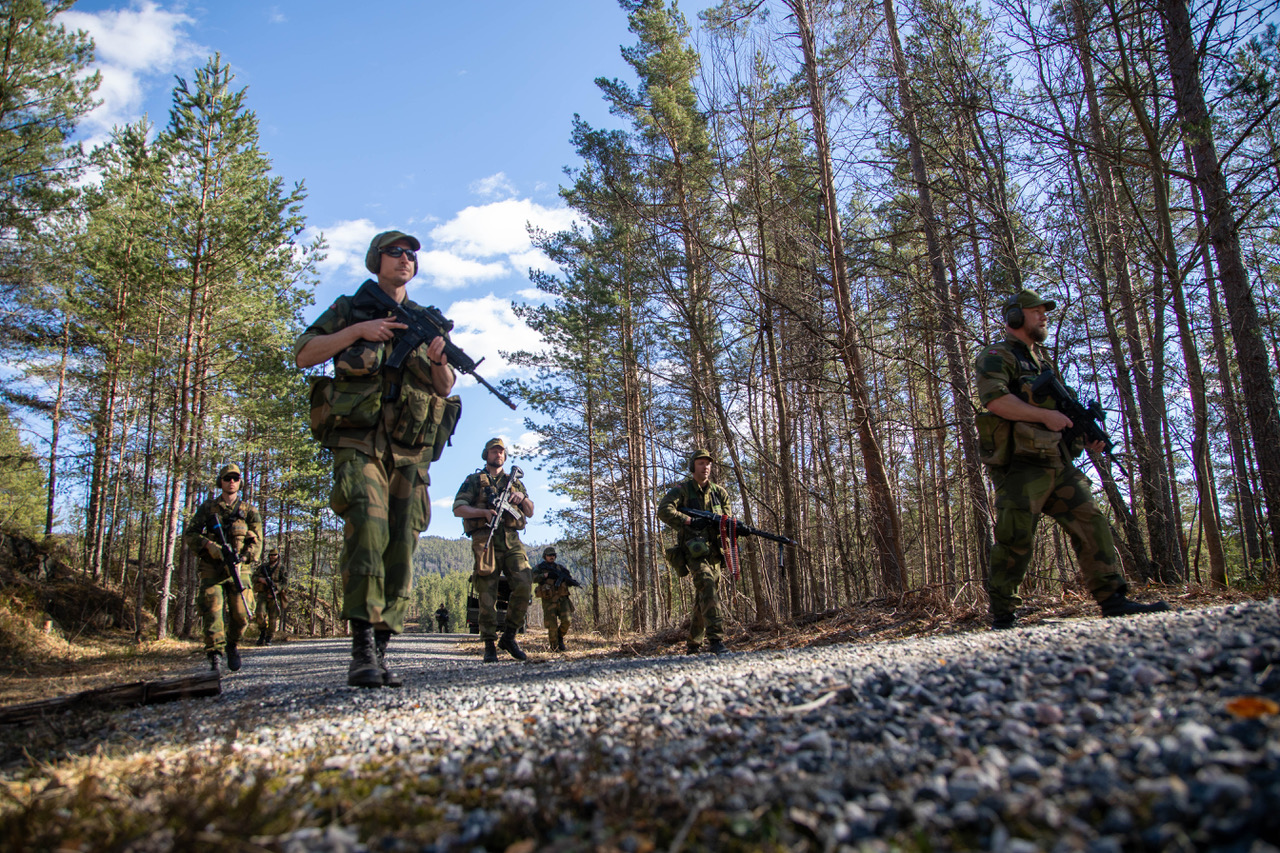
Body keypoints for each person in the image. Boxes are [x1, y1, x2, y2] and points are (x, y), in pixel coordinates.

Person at [294, 230, 458, 688]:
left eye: (411, 255)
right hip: (360, 441)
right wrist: (357, 332)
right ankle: (361, 647)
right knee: (368, 530)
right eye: (396, 252)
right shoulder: (351, 307)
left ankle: (383, 649)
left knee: (402, 544)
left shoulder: (426, 320)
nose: (405, 259)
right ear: (376, 259)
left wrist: (440, 358)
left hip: (408, 450)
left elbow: (443, 387)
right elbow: (304, 353)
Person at [974, 289, 1171, 629]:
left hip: (1057, 462)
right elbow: (995, 401)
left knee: (1091, 521)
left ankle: (1112, 599)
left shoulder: (1043, 363)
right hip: (1021, 465)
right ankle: (1003, 614)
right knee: (1015, 536)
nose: (1043, 317)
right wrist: (1042, 416)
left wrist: (1084, 438)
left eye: (1044, 312)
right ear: (1016, 317)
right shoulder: (997, 354)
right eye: (1036, 312)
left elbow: (1061, 415)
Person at [453, 437, 534, 662]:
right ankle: (489, 643)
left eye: (501, 452)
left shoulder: (513, 481)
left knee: (525, 584)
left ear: (505, 456)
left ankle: (509, 636)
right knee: (486, 594)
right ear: (486, 454)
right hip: (485, 539)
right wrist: (484, 513)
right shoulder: (473, 480)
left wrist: (522, 497)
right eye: (493, 451)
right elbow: (458, 509)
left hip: (511, 540)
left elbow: (530, 511)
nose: (498, 454)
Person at [183, 463, 261, 673]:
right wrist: (210, 546)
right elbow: (190, 534)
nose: (231, 482)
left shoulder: (250, 511)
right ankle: (215, 654)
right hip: (212, 567)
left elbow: (257, 541)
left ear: (240, 482)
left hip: (239, 568)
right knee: (212, 610)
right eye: (227, 478)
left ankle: (232, 644)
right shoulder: (208, 508)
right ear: (221, 482)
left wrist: (244, 557)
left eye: (235, 478)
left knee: (242, 614)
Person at [658, 449, 732, 655]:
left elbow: (727, 520)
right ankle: (716, 640)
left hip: (715, 553)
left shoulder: (720, 493)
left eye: (708, 463)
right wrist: (689, 520)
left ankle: (693, 643)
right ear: (693, 467)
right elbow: (663, 510)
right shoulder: (681, 490)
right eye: (701, 463)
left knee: (705, 596)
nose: (705, 467)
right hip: (693, 550)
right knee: (707, 584)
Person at [533, 546, 578, 652]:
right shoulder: (539, 567)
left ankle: (560, 637)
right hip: (549, 600)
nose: (551, 557)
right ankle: (555, 647)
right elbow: (532, 577)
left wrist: (569, 581)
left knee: (567, 621)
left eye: (553, 555)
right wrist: (546, 575)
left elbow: (568, 578)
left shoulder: (560, 568)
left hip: (562, 599)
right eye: (549, 555)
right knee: (552, 625)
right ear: (545, 556)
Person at [253, 547, 287, 646]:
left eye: (274, 555)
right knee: (259, 614)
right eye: (271, 555)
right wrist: (261, 580)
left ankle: (269, 637)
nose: (272, 557)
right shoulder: (263, 567)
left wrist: (277, 590)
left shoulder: (281, 568)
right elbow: (253, 577)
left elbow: (285, 583)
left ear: (278, 556)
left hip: (274, 595)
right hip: (262, 594)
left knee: (273, 618)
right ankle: (262, 632)